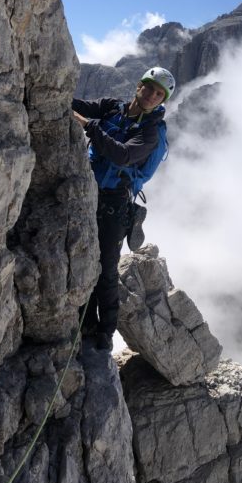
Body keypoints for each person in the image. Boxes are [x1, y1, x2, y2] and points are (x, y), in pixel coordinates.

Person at [72, 66, 175, 350]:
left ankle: (105, 332)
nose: (153, 96)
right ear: (139, 85)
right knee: (83, 257)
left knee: (105, 267)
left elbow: (124, 154)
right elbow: (75, 102)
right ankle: (86, 322)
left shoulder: (150, 132)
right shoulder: (110, 108)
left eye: (159, 94)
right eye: (150, 88)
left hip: (115, 201)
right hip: (87, 191)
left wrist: (89, 125)